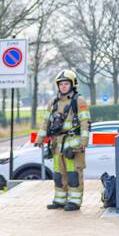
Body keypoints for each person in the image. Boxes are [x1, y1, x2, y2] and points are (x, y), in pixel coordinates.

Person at [35, 69, 91, 211]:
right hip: (56, 144)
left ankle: (74, 202)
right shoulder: (53, 102)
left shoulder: (79, 100)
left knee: (73, 174)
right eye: (61, 84)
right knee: (58, 174)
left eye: (66, 84)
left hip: (73, 144)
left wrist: (84, 143)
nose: (63, 86)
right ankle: (60, 200)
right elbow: (45, 122)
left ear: (72, 84)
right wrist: (39, 139)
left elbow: (85, 122)